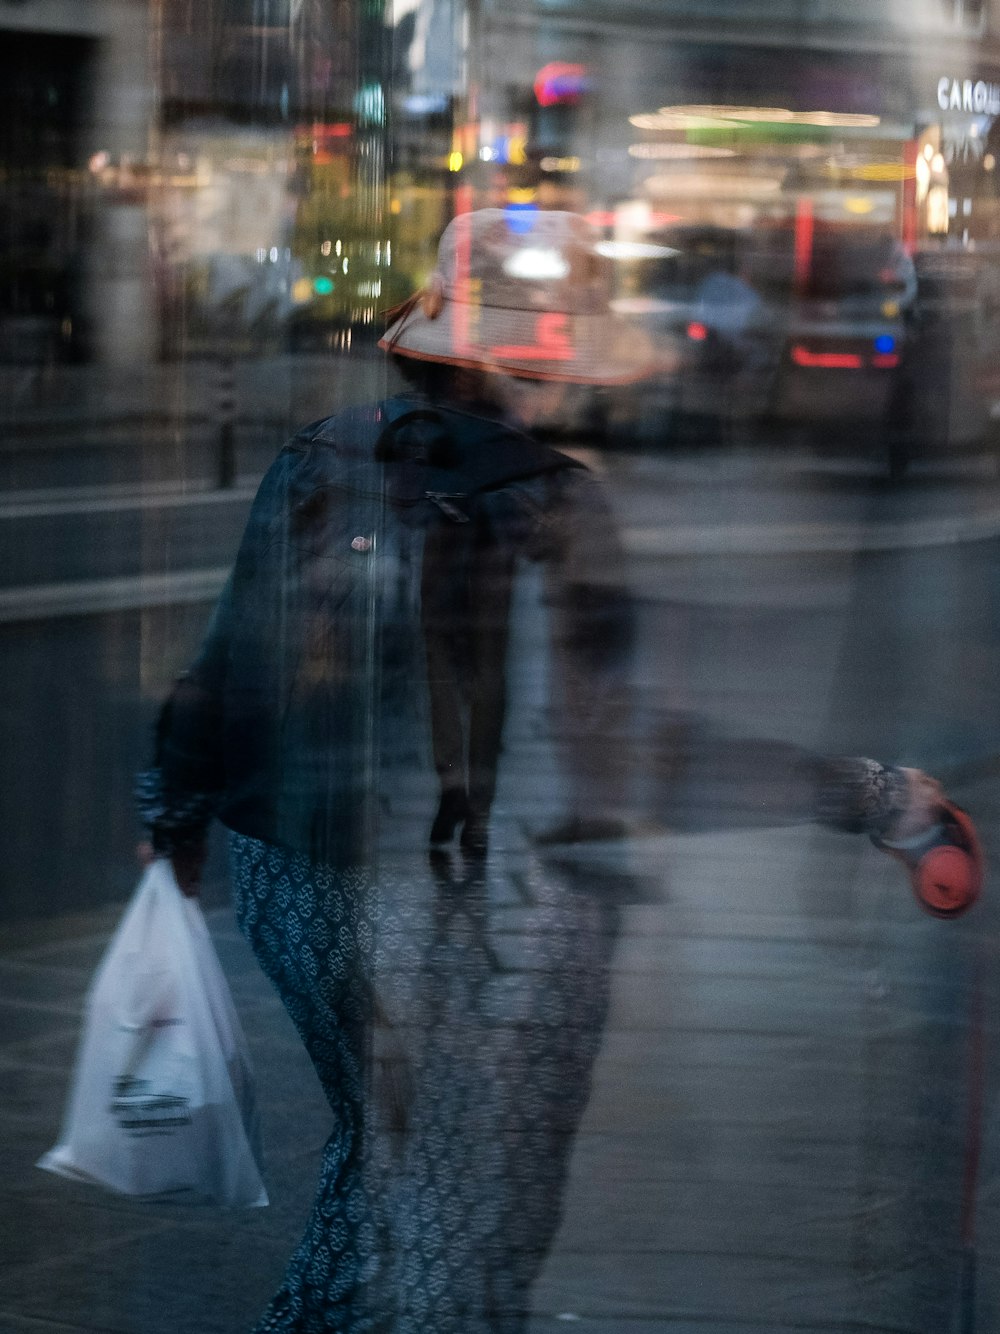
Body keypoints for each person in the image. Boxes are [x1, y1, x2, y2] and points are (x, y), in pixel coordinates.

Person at [137, 208, 950, 1332]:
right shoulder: (553, 500)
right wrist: (864, 795)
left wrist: (170, 821)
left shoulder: (315, 456)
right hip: (469, 902)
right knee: (472, 1214)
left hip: (294, 884)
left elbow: (228, 666)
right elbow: (617, 749)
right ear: (544, 355)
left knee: (381, 1153)